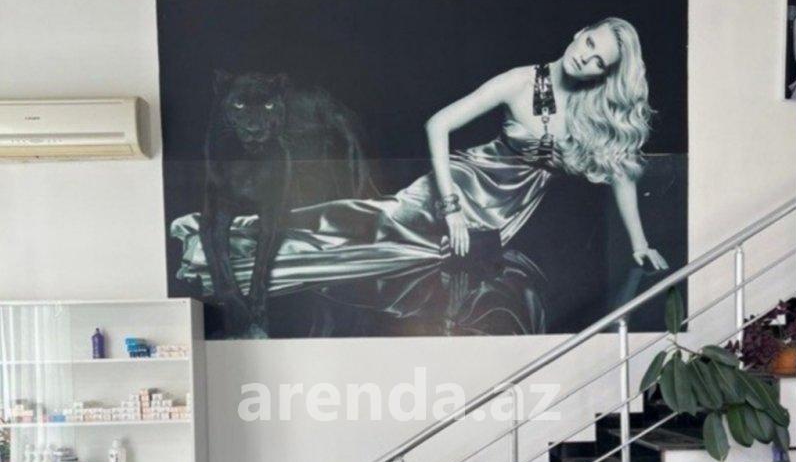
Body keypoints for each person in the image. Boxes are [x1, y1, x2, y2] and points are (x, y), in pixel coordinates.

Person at [170, 16, 668, 326]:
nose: (585, 58)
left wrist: (640, 243)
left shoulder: (591, 109)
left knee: (391, 253)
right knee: (375, 227)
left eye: (598, 61)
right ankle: (224, 241)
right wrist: (451, 209)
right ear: (579, 32)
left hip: (504, 211)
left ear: (605, 73)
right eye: (589, 43)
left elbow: (622, 172)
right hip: (461, 185)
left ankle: (239, 243)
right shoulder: (521, 81)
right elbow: (438, 124)